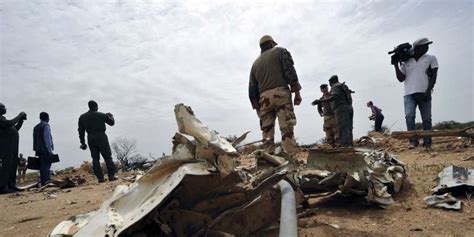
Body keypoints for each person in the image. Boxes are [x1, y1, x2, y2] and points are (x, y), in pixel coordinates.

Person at [248, 35, 302, 156]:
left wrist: (257, 107)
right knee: (286, 129)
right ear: (271, 43)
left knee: (267, 132)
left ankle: (268, 159)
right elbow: (290, 71)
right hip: (281, 94)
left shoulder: (255, 63)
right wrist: (297, 92)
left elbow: (252, 88)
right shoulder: (280, 51)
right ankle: (291, 158)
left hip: (264, 99)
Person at [393, 37, 438, 149]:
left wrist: (428, 91)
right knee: (409, 116)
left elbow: (433, 76)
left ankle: (427, 143)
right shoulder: (406, 61)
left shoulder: (431, 58)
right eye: (425, 45)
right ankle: (413, 142)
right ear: (417, 47)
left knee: (426, 119)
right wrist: (395, 65)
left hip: (424, 92)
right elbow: (400, 78)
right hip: (409, 93)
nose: (427, 48)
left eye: (427, 45)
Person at [78, 100, 117, 182]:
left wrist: (83, 143)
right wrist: (111, 116)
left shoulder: (82, 117)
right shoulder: (101, 115)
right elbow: (112, 123)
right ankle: (111, 176)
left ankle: (100, 178)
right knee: (107, 157)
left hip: (90, 137)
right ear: (95, 106)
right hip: (101, 136)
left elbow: (81, 131)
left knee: (95, 158)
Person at [312, 75, 354, 147]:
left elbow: (335, 97)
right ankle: (348, 146)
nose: (325, 89)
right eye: (323, 88)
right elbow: (319, 108)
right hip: (344, 110)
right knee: (344, 129)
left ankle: (346, 147)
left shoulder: (334, 88)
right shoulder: (342, 86)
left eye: (326, 87)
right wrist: (321, 112)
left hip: (338, 112)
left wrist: (320, 101)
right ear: (321, 90)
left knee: (342, 130)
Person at [0, 103, 27, 194]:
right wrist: (19, 116)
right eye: (3, 107)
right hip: (5, 146)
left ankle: (11, 184)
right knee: (6, 166)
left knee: (12, 165)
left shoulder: (4, 119)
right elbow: (9, 123)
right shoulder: (1, 121)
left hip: (12, 146)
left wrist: (21, 121)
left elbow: (15, 128)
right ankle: (2, 186)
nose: (5, 109)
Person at [33, 112, 54, 185]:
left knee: (42, 165)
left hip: (38, 149)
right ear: (47, 118)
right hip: (45, 149)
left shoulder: (35, 127)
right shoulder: (46, 125)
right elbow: (47, 139)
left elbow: (35, 139)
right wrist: (50, 151)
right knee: (46, 165)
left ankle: (43, 181)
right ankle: (46, 181)